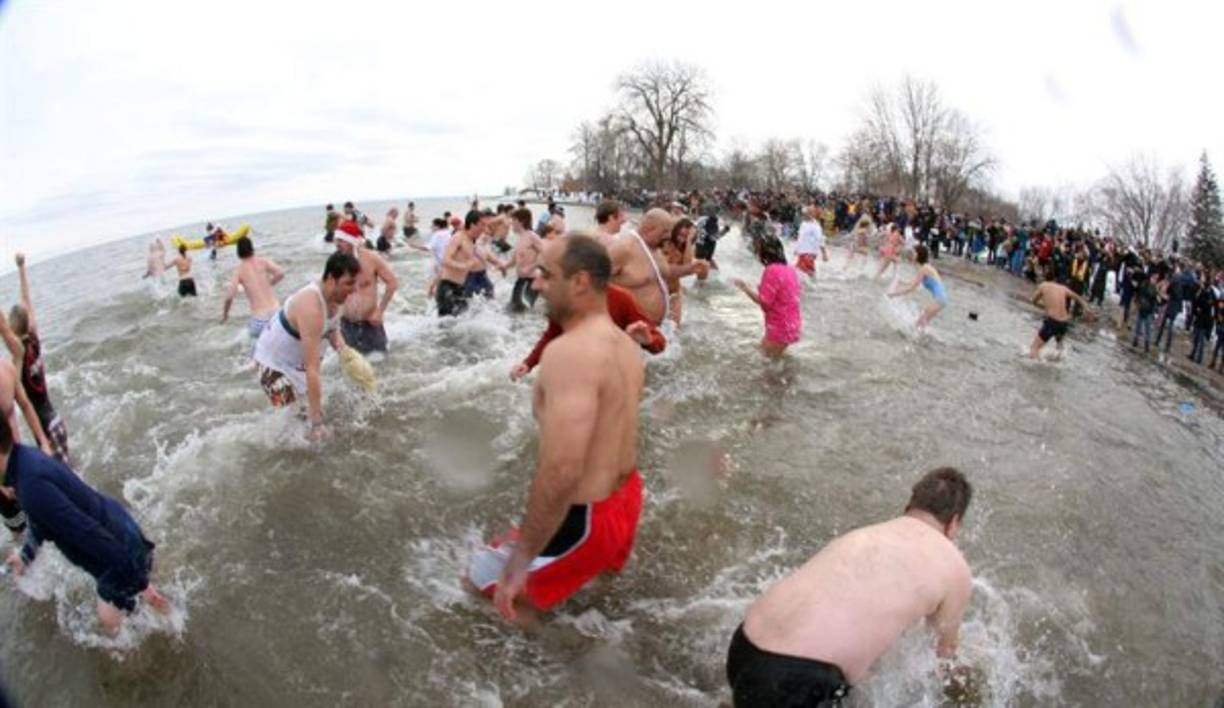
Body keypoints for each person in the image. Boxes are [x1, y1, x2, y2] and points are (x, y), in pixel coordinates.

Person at [468, 236, 645, 621]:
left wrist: (519, 563)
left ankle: (570, 662)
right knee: (583, 591)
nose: (535, 282)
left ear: (579, 281)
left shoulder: (570, 352)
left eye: (546, 274)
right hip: (626, 498)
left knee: (481, 584)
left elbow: (562, 469)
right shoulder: (623, 344)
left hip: (587, 518)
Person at [727, 467, 973, 706]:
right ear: (953, 523)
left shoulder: (866, 534)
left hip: (744, 646)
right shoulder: (953, 565)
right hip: (798, 677)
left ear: (909, 508)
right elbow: (943, 658)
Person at [0, 415, 170, 635]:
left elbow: (86, 532)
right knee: (144, 614)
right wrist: (26, 555)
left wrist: (140, 583)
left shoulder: (30, 487)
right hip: (121, 526)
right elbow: (43, 520)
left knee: (113, 633)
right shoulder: (25, 458)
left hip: (116, 548)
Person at [252, 252, 360, 441]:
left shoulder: (338, 300)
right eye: (349, 283)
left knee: (309, 410)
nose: (354, 289)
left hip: (296, 363)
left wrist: (346, 353)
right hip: (271, 364)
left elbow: (333, 330)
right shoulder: (311, 304)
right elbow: (313, 369)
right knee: (298, 425)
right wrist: (316, 424)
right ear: (331, 279)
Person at [0, 254, 68, 462]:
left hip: (47, 431)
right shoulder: (34, 340)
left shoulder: (18, 354)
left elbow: (3, 328)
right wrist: (21, 268)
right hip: (57, 423)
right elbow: (27, 302)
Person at [608, 208, 708, 326]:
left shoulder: (654, 248)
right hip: (629, 327)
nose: (669, 236)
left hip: (654, 328)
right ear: (650, 228)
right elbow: (592, 281)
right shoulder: (624, 248)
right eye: (665, 231)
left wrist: (689, 269)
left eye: (670, 231)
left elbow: (666, 271)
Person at [335, 223, 398, 355]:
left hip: (371, 322)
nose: (337, 243)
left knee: (380, 364)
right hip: (346, 324)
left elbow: (392, 282)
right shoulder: (335, 261)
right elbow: (329, 291)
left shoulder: (371, 258)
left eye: (341, 240)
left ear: (352, 241)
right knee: (351, 366)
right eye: (336, 240)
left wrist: (380, 311)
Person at [733, 236, 801, 358]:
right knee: (771, 360)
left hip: (780, 327)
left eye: (758, 250)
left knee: (765, 364)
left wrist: (745, 288)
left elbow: (765, 302)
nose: (757, 253)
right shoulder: (789, 269)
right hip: (792, 325)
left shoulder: (771, 270)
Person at [221, 237, 285, 339]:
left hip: (260, 319)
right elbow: (281, 273)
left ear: (238, 252)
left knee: (250, 344)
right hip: (277, 313)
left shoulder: (239, 270)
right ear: (252, 248)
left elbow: (229, 296)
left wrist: (225, 315)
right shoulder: (263, 261)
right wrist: (269, 284)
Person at [1028, 267, 1096, 360]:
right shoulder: (1062, 288)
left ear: (1044, 278)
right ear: (1055, 279)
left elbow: (1033, 301)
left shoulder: (1043, 285)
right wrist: (1086, 308)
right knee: (1059, 347)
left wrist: (1042, 305)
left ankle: (1035, 368)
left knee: (1034, 348)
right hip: (1064, 323)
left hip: (1052, 322)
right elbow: (1078, 297)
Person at [888, 244, 947, 332]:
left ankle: (917, 340)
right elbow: (913, 283)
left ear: (919, 254)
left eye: (914, 253)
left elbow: (912, 288)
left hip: (939, 299)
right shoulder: (923, 268)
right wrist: (902, 282)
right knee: (922, 323)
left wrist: (893, 295)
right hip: (941, 299)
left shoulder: (924, 268)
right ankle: (921, 340)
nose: (912, 255)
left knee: (920, 322)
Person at [436, 211, 484, 317]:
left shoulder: (471, 241)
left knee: (462, 324)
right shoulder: (458, 237)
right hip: (447, 287)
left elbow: (475, 255)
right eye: (482, 225)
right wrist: (464, 266)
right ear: (472, 225)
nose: (484, 228)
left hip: (460, 287)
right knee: (446, 328)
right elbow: (445, 260)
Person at [508, 208, 543, 313]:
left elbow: (546, 254)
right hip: (521, 280)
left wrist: (531, 267)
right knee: (513, 309)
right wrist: (502, 266)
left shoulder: (532, 236)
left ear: (521, 221)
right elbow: (514, 261)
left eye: (513, 220)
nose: (511, 223)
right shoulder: (520, 237)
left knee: (522, 311)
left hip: (531, 280)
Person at [795, 206, 828, 282]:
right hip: (802, 252)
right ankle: (813, 285)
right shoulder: (803, 223)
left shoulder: (815, 225)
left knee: (803, 271)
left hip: (810, 252)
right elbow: (800, 238)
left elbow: (820, 239)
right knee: (802, 271)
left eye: (806, 213)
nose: (804, 215)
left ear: (811, 214)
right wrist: (797, 249)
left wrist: (824, 254)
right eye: (803, 213)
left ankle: (814, 286)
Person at [1131, 272, 1159, 353]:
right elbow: (1140, 294)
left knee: (1145, 327)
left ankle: (1144, 343)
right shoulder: (1148, 286)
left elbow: (1154, 301)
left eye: (1156, 279)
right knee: (1140, 325)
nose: (1155, 280)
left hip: (1147, 309)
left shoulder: (1150, 286)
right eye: (1154, 278)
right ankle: (1137, 341)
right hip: (1145, 308)